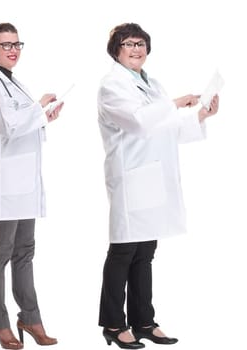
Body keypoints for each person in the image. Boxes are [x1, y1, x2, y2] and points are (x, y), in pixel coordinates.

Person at [97, 22, 219, 349]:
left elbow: (166, 127)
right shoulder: (112, 85)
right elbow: (138, 121)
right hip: (131, 176)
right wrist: (175, 104)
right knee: (123, 251)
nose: (137, 49)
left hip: (151, 179)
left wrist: (200, 115)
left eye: (141, 44)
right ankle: (112, 323)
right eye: (129, 44)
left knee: (145, 253)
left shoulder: (153, 84)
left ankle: (144, 322)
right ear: (117, 50)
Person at [0, 23, 62, 349]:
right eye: (6, 44)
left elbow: (25, 123)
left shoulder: (16, 84)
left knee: (25, 253)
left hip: (25, 184)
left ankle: (31, 317)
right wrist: (39, 109)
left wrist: (43, 116)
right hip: (3, 184)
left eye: (17, 44)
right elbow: (9, 126)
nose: (13, 49)